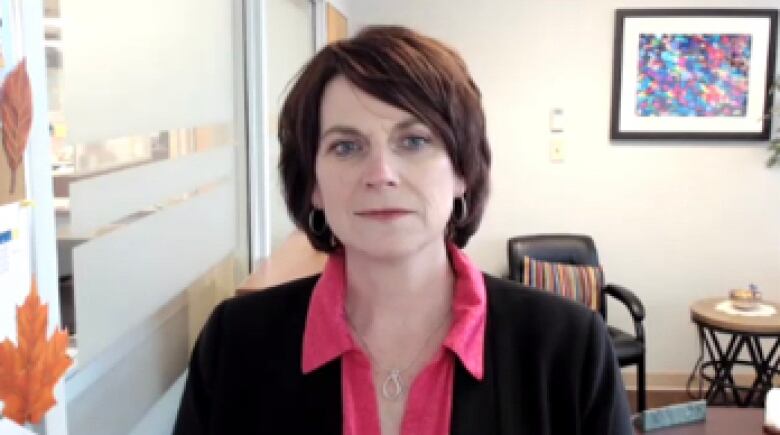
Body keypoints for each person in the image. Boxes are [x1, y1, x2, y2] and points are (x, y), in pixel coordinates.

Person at [173, 25, 633, 435]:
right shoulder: (235, 343)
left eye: (414, 141)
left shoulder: (568, 347)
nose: (381, 173)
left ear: (461, 173)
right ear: (313, 184)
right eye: (346, 146)